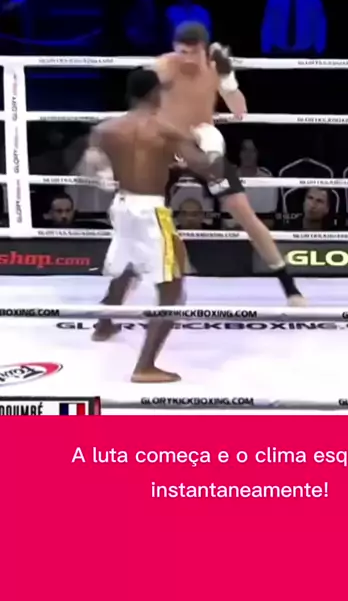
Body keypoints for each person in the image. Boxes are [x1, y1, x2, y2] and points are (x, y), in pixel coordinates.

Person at [154, 22, 306, 305]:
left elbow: (239, 111)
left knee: (243, 212)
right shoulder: (164, 66)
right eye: (182, 52)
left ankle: (290, 288)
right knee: (143, 210)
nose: (187, 59)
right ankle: (158, 283)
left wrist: (228, 79)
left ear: (204, 49)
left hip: (204, 149)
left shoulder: (216, 68)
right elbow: (143, 106)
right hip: (168, 147)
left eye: (192, 53)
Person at [82, 67, 216, 383]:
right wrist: (212, 146)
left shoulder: (105, 129)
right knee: (172, 289)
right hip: (151, 211)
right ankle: (145, 366)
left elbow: (92, 168)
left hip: (121, 205)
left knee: (127, 264)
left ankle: (104, 325)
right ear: (157, 93)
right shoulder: (168, 129)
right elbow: (205, 168)